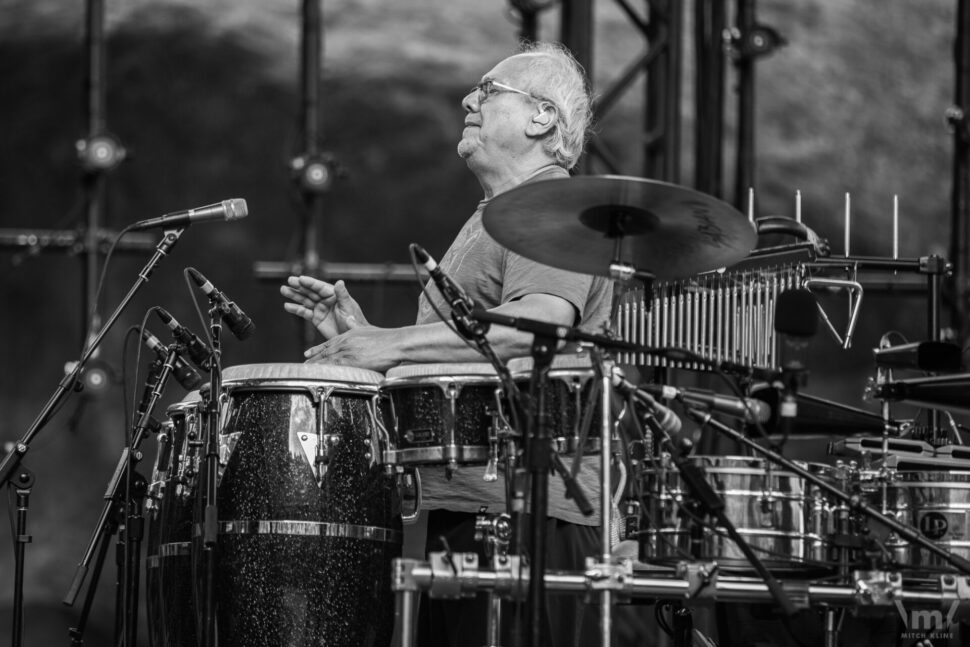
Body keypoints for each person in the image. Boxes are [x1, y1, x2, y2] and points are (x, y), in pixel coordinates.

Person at [281, 41, 613, 647]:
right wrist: (363, 338)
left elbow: (537, 324)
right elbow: (469, 352)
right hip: (480, 506)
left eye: (488, 91)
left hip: (532, 515)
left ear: (542, 117)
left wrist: (389, 347)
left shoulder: (552, 205)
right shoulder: (497, 213)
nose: (468, 99)